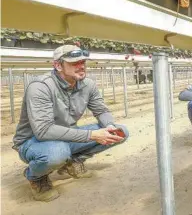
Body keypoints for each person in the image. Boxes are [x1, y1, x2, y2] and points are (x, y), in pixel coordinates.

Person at [12, 45, 129, 202]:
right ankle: (35, 176)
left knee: (120, 132)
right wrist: (91, 135)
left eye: (82, 62)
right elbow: (43, 131)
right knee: (57, 152)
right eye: (74, 63)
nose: (81, 66)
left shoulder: (87, 85)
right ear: (58, 65)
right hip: (33, 142)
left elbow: (101, 111)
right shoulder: (40, 87)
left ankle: (72, 162)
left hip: (64, 137)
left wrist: (109, 126)